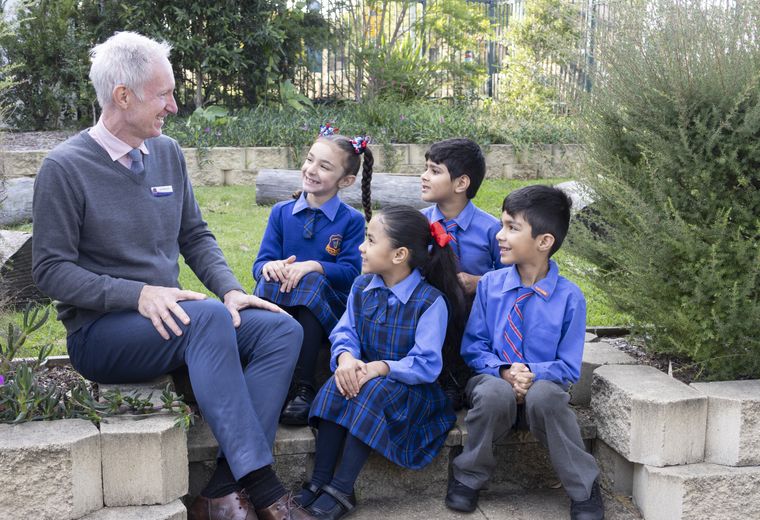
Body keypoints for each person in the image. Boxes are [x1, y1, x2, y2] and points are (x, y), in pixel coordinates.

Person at [31, 31, 314, 520]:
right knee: (204, 320)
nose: (175, 106)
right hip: (102, 334)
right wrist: (137, 294)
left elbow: (196, 236)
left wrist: (230, 290)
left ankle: (222, 491)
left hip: (174, 322)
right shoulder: (63, 168)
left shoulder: (167, 153)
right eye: (164, 94)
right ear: (124, 96)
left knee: (280, 330)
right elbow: (50, 272)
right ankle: (266, 491)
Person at [444, 185, 604, 520]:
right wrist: (505, 371)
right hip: (492, 380)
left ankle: (584, 488)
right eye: (502, 225)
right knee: (492, 394)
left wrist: (530, 374)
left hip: (542, 388)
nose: (500, 235)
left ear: (544, 241)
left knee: (547, 397)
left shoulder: (570, 298)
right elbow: (474, 346)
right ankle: (468, 476)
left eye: (512, 228)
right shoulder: (490, 286)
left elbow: (568, 366)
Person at [298, 205, 465, 520]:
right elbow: (345, 331)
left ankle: (341, 488)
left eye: (371, 240)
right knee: (339, 382)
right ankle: (319, 481)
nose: (361, 247)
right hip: (367, 381)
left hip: (412, 395)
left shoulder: (430, 302)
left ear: (399, 255)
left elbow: (426, 365)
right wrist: (347, 359)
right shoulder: (362, 287)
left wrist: (380, 367)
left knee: (373, 390)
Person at [252, 128, 372, 426]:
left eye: (324, 166)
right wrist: (271, 267)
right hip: (283, 300)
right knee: (270, 280)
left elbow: (351, 274)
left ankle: (303, 386)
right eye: (310, 160)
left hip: (326, 310)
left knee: (310, 283)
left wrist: (313, 266)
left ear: (346, 181)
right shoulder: (281, 213)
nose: (311, 170)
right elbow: (260, 264)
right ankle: (266, 380)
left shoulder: (351, 221)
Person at [420, 138, 504, 409]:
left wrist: (478, 282)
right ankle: (435, 377)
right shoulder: (419, 223)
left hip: (471, 314)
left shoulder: (491, 229)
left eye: (434, 171)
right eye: (426, 168)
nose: (424, 176)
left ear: (461, 183)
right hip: (427, 311)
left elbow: (511, 277)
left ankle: (459, 378)